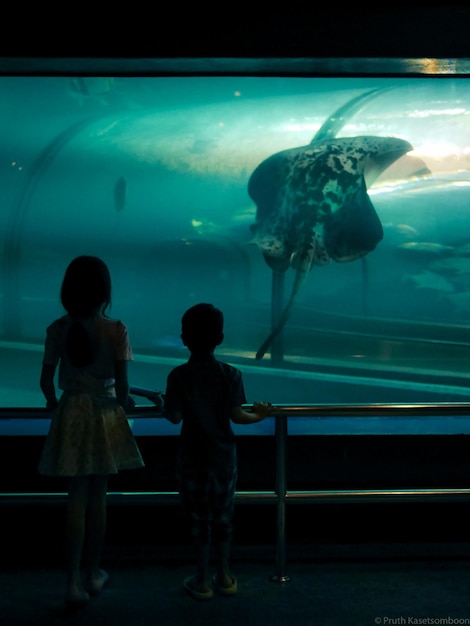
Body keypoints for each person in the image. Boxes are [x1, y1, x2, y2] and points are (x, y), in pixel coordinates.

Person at [37, 255, 144, 607]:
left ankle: (70, 582)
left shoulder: (58, 328)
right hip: (104, 414)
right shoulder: (117, 330)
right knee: (99, 499)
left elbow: (46, 382)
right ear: (104, 292)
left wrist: (55, 402)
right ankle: (93, 574)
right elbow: (124, 390)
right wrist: (125, 402)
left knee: (75, 500)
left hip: (71, 413)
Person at [164, 302, 271, 600]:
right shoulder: (231, 374)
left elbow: (173, 416)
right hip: (223, 458)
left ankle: (201, 579)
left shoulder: (178, 376)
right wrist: (261, 415)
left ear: (184, 338)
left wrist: (164, 403)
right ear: (220, 338)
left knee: (198, 519)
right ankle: (223, 575)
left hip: (191, 459)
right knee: (223, 516)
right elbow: (238, 416)